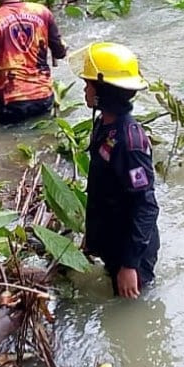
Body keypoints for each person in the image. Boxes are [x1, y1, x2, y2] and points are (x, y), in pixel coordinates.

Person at [77, 42, 159, 299]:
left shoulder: (128, 142)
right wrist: (94, 237)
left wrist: (130, 265)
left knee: (131, 313)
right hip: (114, 238)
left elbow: (146, 205)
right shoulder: (105, 124)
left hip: (131, 250)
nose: (84, 89)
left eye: (89, 84)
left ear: (104, 91)